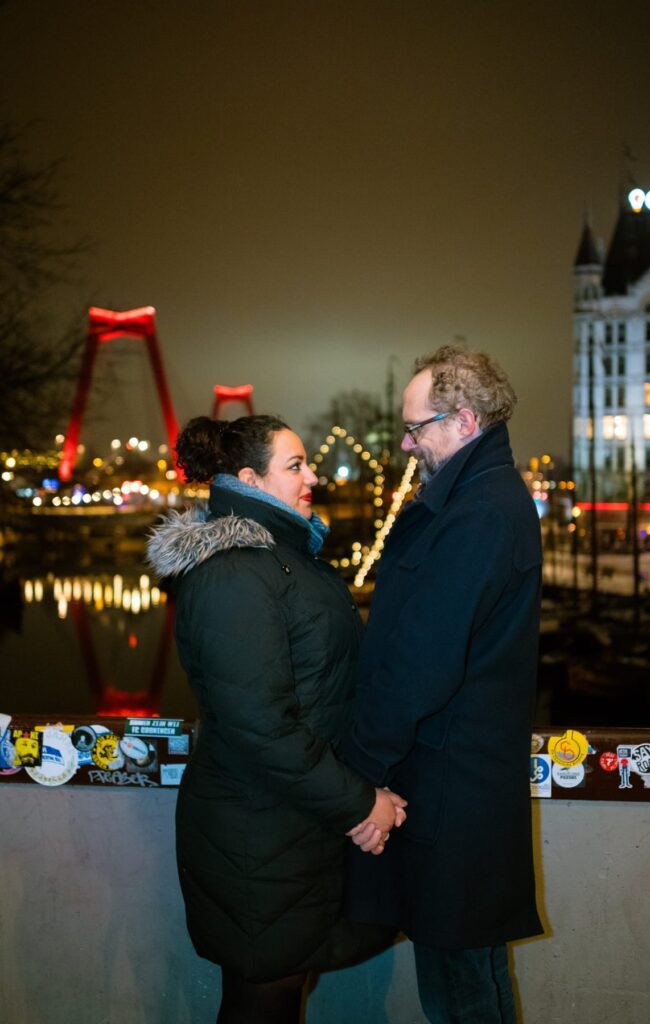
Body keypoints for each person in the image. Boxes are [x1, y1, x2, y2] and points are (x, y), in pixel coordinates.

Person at [147, 414, 405, 1024]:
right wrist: (358, 804)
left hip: (287, 825)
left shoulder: (282, 558)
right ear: (249, 479)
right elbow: (259, 724)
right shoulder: (235, 574)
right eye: (295, 466)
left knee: (275, 998)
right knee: (263, 1002)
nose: (312, 475)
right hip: (256, 834)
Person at [344, 346, 544, 1024]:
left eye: (415, 426)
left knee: (460, 989)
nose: (406, 443)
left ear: (461, 420)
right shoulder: (478, 499)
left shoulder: (479, 512)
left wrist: (361, 770)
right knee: (468, 971)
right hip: (456, 782)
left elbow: (423, 658)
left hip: (450, 791)